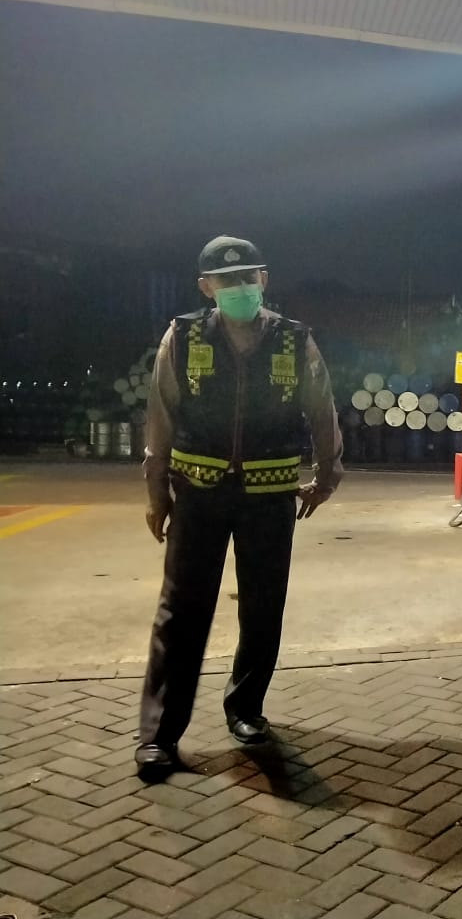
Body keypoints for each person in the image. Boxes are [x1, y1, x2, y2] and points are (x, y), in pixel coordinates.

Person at [136, 236, 343, 782]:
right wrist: (157, 492)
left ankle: (246, 708)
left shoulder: (294, 341)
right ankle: (159, 735)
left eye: (248, 278)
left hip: (269, 497)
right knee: (181, 611)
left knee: (263, 606)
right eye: (227, 281)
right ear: (206, 288)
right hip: (198, 493)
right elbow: (160, 417)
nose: (239, 288)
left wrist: (327, 474)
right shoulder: (183, 338)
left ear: (264, 280)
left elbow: (322, 409)